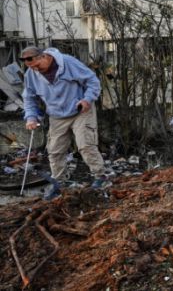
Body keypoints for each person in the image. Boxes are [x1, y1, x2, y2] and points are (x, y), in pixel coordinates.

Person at [21, 46, 108, 200]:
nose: (35, 70)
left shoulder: (68, 63)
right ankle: (58, 183)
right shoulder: (31, 74)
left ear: (44, 57)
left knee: (85, 145)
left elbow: (92, 81)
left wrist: (87, 99)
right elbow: (29, 97)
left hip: (80, 109)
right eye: (31, 67)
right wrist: (31, 117)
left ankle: (100, 177)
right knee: (54, 150)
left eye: (36, 65)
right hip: (56, 114)